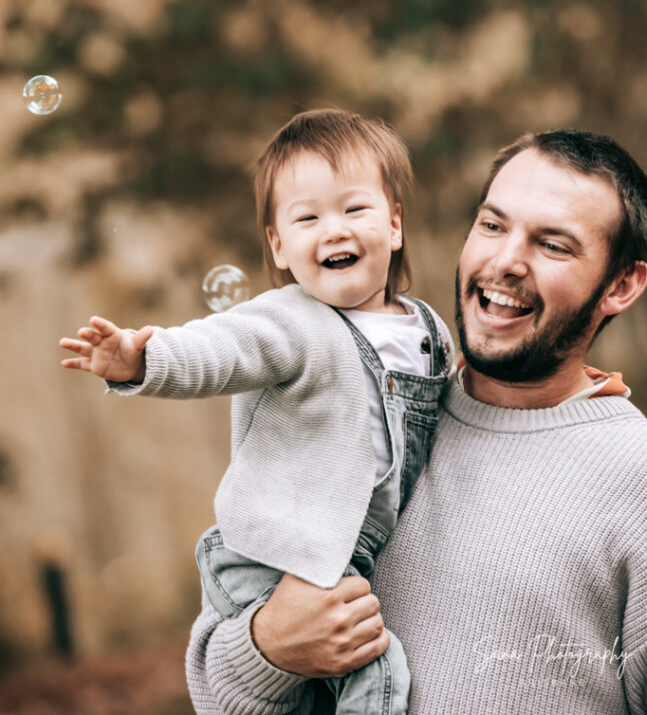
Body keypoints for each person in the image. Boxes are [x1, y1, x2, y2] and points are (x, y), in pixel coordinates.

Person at [187, 129, 647, 715]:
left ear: (621, 285)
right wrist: (269, 650)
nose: (505, 261)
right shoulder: (364, 426)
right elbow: (215, 691)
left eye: (552, 245)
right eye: (493, 226)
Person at [59, 109, 454, 715]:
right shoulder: (290, 321)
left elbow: (471, 405)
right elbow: (219, 350)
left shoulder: (428, 329)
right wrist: (144, 360)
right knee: (372, 671)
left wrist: (568, 391)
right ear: (279, 244)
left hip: (352, 551)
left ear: (394, 224)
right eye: (307, 217)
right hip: (277, 552)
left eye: (355, 209)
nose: (334, 229)